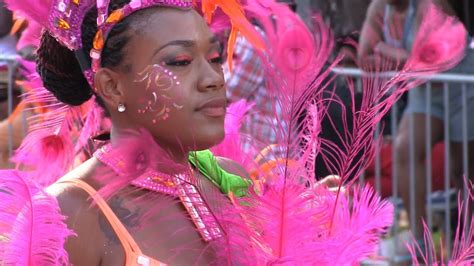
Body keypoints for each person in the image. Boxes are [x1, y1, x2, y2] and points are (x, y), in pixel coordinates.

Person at [359, 0, 474, 247]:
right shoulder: (379, 8)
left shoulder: (428, 5)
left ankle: (467, 242)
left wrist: (382, 48)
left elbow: (426, 65)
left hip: (460, 83)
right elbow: (363, 56)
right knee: (405, 150)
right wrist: (404, 61)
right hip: (425, 92)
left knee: (463, 168)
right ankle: (419, 241)